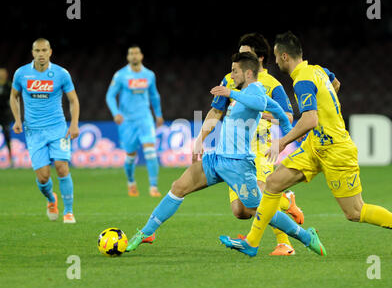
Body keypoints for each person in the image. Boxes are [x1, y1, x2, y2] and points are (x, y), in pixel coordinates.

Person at [220, 31, 392, 260]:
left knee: (354, 211)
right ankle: (252, 243)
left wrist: (283, 141)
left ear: (283, 57)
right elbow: (335, 84)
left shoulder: (302, 80)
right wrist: (326, 110)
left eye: (275, 55)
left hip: (336, 149)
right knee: (272, 184)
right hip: (315, 146)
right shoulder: (319, 70)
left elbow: (309, 119)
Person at [126, 52, 325, 256]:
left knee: (261, 210)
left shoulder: (255, 90)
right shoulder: (243, 92)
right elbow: (279, 112)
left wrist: (232, 94)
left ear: (248, 73)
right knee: (179, 186)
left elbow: (260, 104)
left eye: (234, 71)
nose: (231, 75)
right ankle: (146, 232)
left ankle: (306, 237)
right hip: (217, 159)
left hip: (239, 165)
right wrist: (286, 131)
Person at [209, 33, 304, 256]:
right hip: (234, 152)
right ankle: (284, 200)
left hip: (260, 149)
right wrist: (201, 139)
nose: (240, 58)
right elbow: (216, 110)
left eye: (246, 54)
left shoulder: (272, 85)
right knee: (240, 210)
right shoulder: (229, 79)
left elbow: (288, 116)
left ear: (260, 58)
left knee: (260, 198)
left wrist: (262, 115)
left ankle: (284, 243)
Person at [9, 38, 80, 223]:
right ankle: (51, 199)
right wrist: (17, 119)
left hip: (58, 128)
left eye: (44, 50)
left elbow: (73, 99)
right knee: (43, 177)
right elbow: (13, 96)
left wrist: (74, 124)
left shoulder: (61, 74)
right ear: (33, 53)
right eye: (37, 50)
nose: (41, 54)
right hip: (34, 131)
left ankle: (69, 211)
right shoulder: (21, 73)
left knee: (62, 167)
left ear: (50, 52)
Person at [106, 45, 164, 198]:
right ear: (128, 57)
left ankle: (153, 187)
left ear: (141, 56)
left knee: (151, 153)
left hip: (145, 119)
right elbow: (110, 96)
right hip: (127, 122)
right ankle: (131, 183)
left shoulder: (149, 75)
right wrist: (116, 113)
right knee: (130, 156)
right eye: (131, 53)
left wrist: (158, 114)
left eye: (136, 53)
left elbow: (154, 96)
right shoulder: (121, 75)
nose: (134, 56)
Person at [0, 67, 12, 164]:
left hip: (5, 115)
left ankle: (10, 158)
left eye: (3, 73)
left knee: (7, 135)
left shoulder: (9, 86)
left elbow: (13, 99)